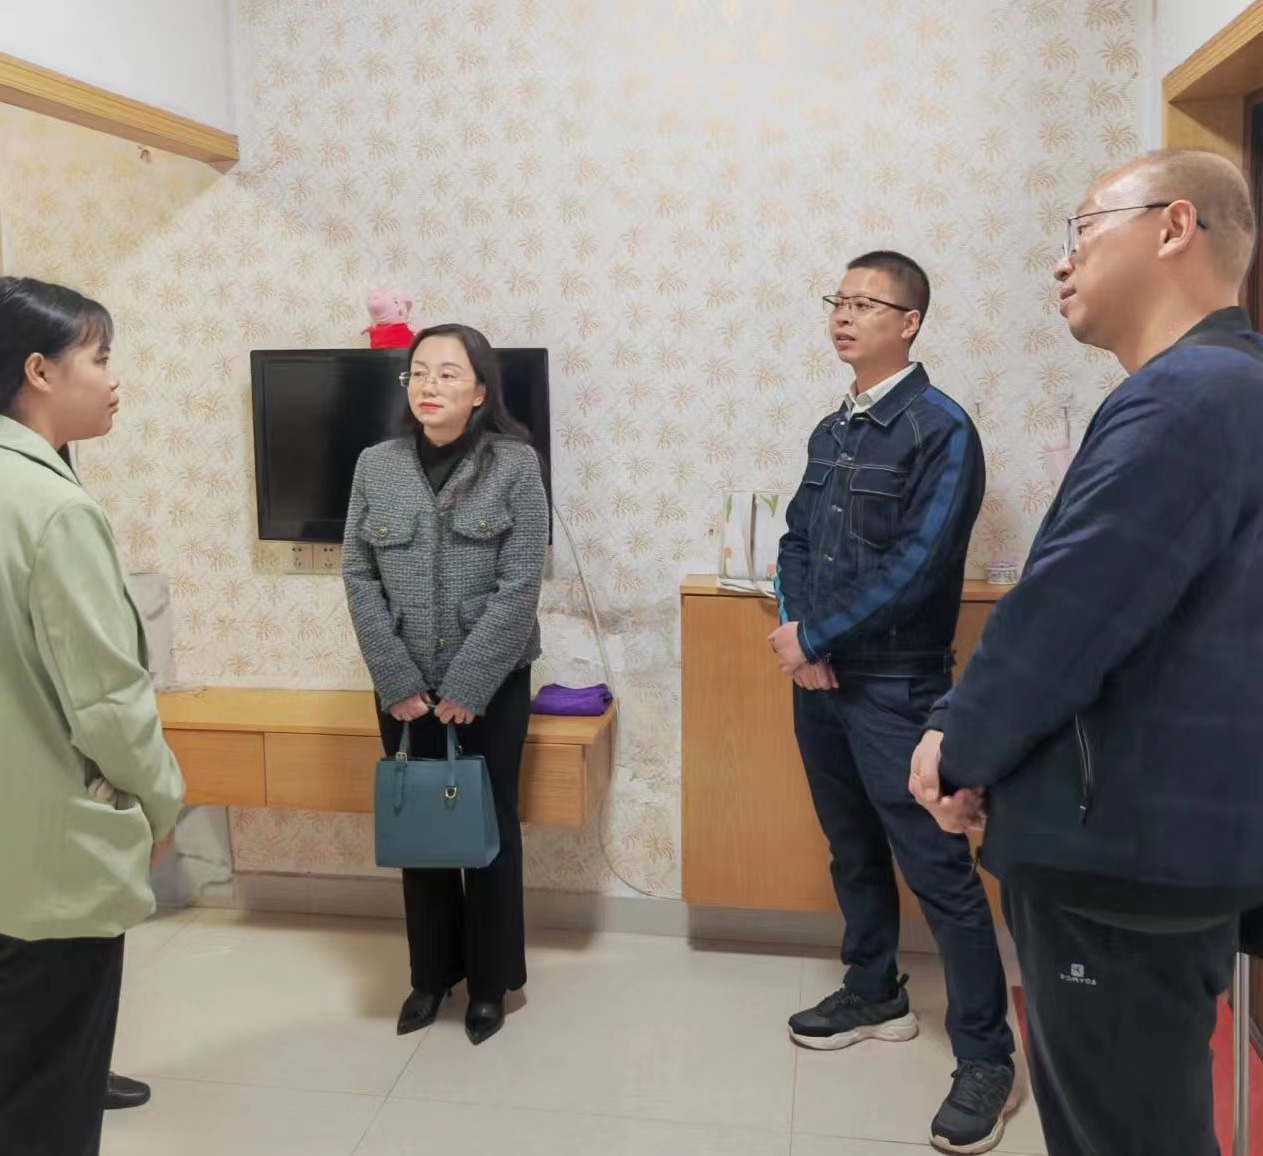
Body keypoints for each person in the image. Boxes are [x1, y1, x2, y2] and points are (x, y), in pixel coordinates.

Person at [910, 148, 1263, 1156]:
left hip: (1121, 853)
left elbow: (1066, 614)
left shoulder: (1191, 394)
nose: (1062, 262)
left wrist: (956, 747)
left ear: (1173, 227)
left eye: (1081, 231)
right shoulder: (1219, 388)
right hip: (1164, 841)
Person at [771, 251, 1016, 1153]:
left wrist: (816, 637)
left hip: (898, 686)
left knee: (939, 871)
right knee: (850, 849)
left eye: (864, 304)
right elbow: (795, 539)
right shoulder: (831, 428)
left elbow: (919, 566)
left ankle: (986, 1056)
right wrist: (800, 634)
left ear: (908, 323)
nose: (842, 316)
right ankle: (874, 991)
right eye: (836, 300)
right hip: (821, 679)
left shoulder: (940, 429)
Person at [0, 276, 185, 1155]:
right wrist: (162, 805)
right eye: (100, 357)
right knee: (47, 1093)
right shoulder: (54, 510)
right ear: (39, 371)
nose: (114, 379)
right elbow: (109, 704)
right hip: (49, 858)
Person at [343, 322, 549, 1046]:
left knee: (488, 830)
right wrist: (395, 676)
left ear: (480, 390)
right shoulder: (375, 465)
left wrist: (470, 683)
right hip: (402, 683)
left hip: (491, 681)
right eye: (419, 373)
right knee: (421, 829)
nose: (429, 386)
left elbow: (521, 582)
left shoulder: (515, 465)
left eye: (448, 374)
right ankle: (430, 977)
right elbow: (357, 573)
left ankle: (491, 984)